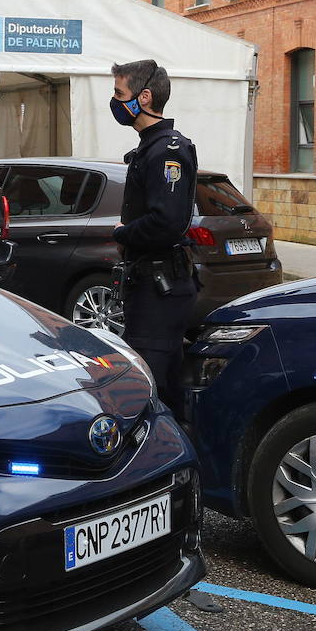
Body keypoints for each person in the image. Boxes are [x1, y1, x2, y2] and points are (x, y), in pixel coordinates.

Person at [109, 59, 198, 418]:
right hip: (151, 283)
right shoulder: (150, 146)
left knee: (154, 387)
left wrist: (123, 233)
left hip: (161, 287)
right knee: (162, 382)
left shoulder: (167, 150)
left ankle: (163, 462)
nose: (114, 101)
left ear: (144, 97)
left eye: (120, 94)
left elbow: (168, 221)